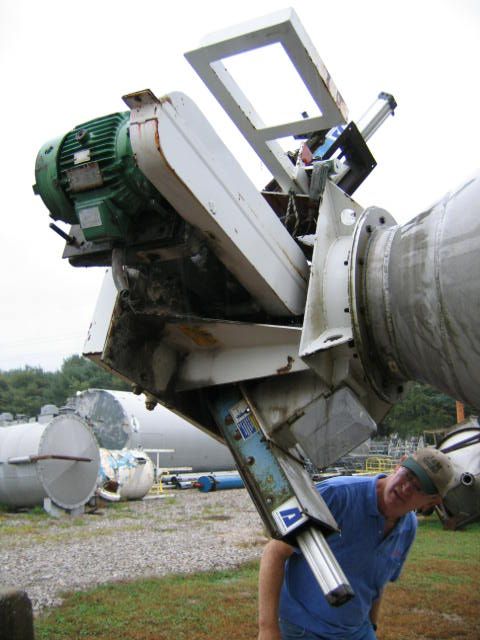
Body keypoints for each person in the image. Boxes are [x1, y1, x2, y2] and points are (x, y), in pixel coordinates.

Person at [258, 448, 454, 640]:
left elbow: (375, 583)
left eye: (419, 488)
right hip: (303, 629)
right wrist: (268, 629)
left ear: (431, 502)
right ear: (399, 464)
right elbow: (275, 552)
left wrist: (372, 626)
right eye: (409, 475)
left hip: (356, 631)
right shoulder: (336, 496)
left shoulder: (408, 527)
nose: (407, 487)